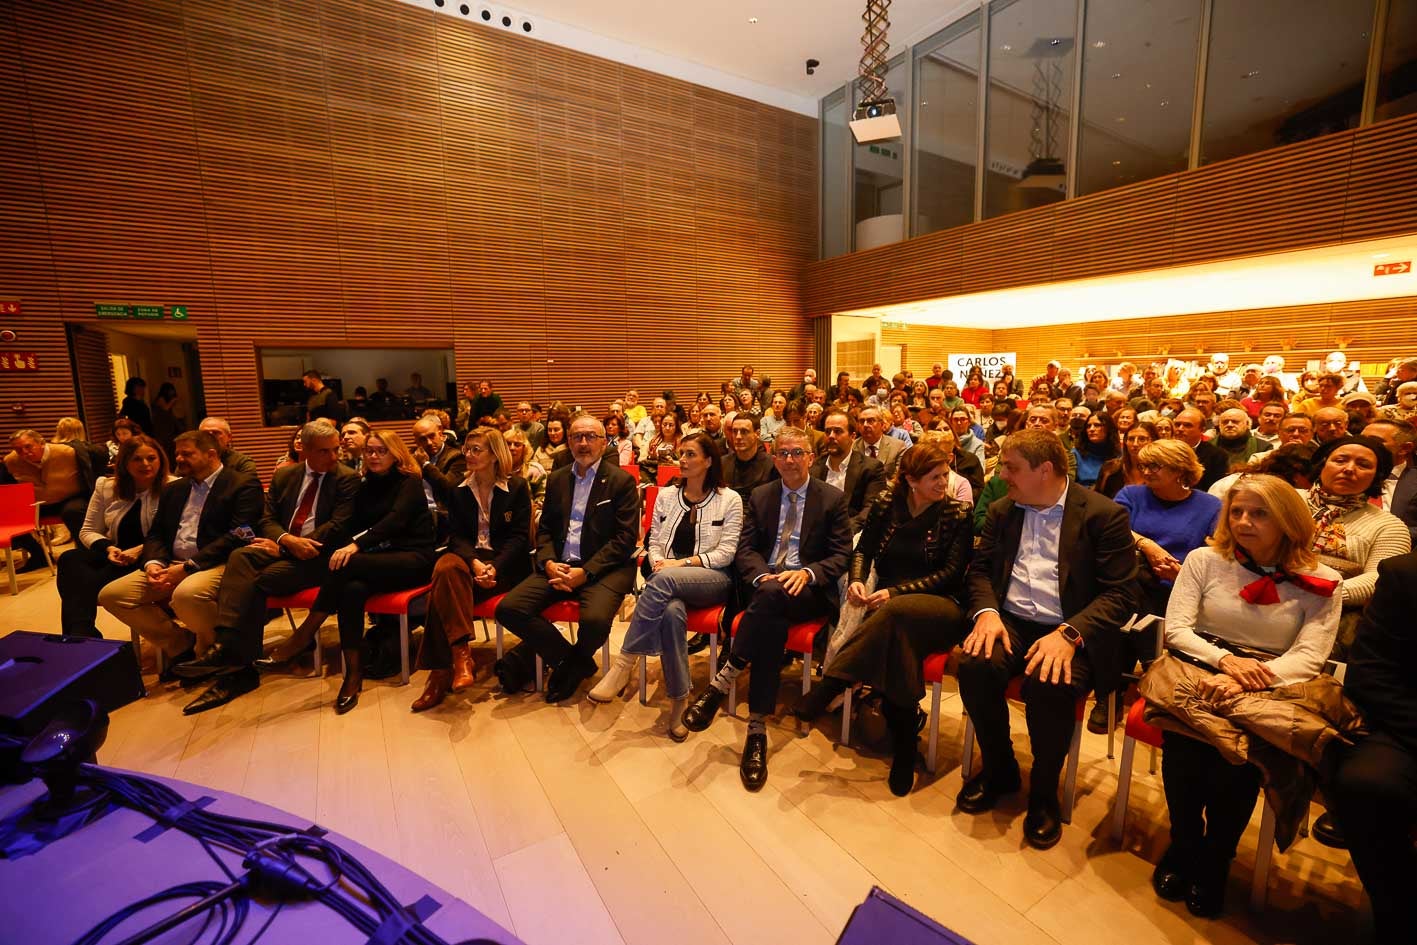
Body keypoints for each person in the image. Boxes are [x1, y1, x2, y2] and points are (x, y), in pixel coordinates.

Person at [1147, 475, 1341, 918]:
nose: (1243, 522)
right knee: (1186, 748)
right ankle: (1183, 845)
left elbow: (1311, 656)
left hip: (1272, 679)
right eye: (1236, 512)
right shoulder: (1203, 559)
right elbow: (1177, 628)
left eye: (1259, 513)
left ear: (1288, 521)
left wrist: (1253, 677)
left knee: (1235, 762)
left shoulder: (1323, 578)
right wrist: (1224, 664)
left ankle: (1216, 859)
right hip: (1202, 663)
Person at [955, 429, 1137, 850]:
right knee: (976, 665)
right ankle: (1000, 769)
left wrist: (1070, 633)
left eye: (1011, 468)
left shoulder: (1102, 515)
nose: (1001, 476)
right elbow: (980, 571)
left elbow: (1121, 594)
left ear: (1045, 470)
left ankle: (1043, 792)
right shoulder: (1004, 511)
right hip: (1012, 619)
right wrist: (986, 613)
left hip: (1073, 627)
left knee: (1049, 682)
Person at [794, 441, 973, 794]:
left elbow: (953, 574)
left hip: (939, 605)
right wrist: (858, 579)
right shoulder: (886, 504)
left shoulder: (958, 514)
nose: (944, 483)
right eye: (935, 477)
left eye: (945, 475)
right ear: (911, 479)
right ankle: (906, 747)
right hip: (889, 611)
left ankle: (833, 682)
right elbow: (863, 550)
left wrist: (894, 594)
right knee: (897, 644)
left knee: (892, 613)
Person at [681, 428, 852, 791]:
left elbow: (840, 555)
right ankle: (756, 729)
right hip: (767, 590)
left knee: (771, 602)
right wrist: (761, 577)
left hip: (807, 590)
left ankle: (722, 682)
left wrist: (807, 573)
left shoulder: (832, 498)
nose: (790, 460)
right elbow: (746, 551)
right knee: (770, 615)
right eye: (783, 453)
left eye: (798, 453)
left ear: (811, 457)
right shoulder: (760, 496)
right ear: (774, 458)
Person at [175, 421, 360, 707]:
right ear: (306, 450)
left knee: (259, 581)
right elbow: (265, 519)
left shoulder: (347, 478)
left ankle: (235, 664)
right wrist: (286, 540)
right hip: (285, 547)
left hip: (323, 556)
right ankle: (229, 646)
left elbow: (338, 525)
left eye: (336, 450)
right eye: (325, 451)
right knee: (242, 556)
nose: (334, 457)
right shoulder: (286, 476)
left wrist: (291, 546)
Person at [589, 433, 743, 738]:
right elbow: (654, 541)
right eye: (680, 454)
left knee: (662, 581)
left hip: (713, 579)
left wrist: (677, 566)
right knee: (671, 613)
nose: (682, 460)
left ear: (709, 461)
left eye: (690, 455)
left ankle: (624, 664)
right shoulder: (667, 495)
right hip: (667, 581)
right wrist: (660, 561)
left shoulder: (730, 499)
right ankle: (678, 703)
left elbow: (726, 553)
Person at [97, 430, 263, 705]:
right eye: (178, 453)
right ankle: (183, 648)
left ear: (211, 455)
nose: (178, 458)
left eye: (187, 453)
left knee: (186, 595)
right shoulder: (175, 488)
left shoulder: (242, 485)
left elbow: (239, 534)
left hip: (217, 564)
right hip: (169, 564)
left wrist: (187, 567)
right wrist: (153, 563)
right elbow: (157, 534)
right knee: (113, 595)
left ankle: (223, 660)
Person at [494, 414, 639, 702]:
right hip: (558, 565)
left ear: (602, 442)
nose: (583, 443)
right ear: (569, 441)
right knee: (509, 608)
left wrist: (585, 573)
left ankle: (572, 664)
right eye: (577, 437)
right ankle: (574, 662)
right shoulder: (558, 479)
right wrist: (548, 562)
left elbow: (624, 540)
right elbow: (546, 528)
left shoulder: (621, 481)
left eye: (590, 437)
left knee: (596, 620)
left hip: (604, 568)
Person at [301, 431, 438, 712]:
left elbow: (395, 521)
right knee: (351, 590)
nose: (374, 456)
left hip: (414, 560)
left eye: (381, 451)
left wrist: (355, 546)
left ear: (395, 453)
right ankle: (353, 673)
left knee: (346, 562)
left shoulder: (409, 482)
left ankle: (307, 630)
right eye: (369, 451)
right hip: (380, 561)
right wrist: (336, 544)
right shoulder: (364, 485)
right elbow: (352, 523)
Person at [1091, 440, 1221, 731]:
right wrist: (1147, 546)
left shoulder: (1209, 505)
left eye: (1154, 466)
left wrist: (1182, 573)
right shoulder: (1132, 495)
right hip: (1130, 579)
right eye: (1143, 465)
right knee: (1126, 603)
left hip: (1178, 587)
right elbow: (1112, 528)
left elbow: (1217, 554)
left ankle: (1118, 692)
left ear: (1179, 470)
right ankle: (1133, 689)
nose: (1146, 471)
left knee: (1131, 613)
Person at [407, 426, 532, 711]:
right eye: (467, 449)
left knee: (440, 593)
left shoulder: (517, 488)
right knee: (446, 568)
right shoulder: (458, 490)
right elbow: (457, 537)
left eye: (477, 450)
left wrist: (494, 568)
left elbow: (519, 539)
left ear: (495, 455)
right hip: (468, 561)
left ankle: (440, 674)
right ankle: (461, 655)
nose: (470, 455)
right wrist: (475, 563)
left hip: (506, 566)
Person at [1327, 551, 1417, 943]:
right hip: (1406, 723)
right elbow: (1371, 674)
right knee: (1365, 785)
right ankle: (1398, 916)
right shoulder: (1405, 575)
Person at [1302, 435, 1411, 654]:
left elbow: (1378, 579)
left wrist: (1314, 594)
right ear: (1323, 464)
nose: (1349, 469)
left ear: (1377, 477)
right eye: (1340, 460)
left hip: (1334, 615)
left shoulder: (1389, 526)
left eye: (1363, 465)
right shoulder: (1285, 500)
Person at [57, 435, 171, 638]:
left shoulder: (175, 487)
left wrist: (140, 550)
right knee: (69, 559)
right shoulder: (107, 487)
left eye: (151, 458)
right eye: (137, 459)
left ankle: (80, 636)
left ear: (161, 460)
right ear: (125, 463)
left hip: (153, 557)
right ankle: (83, 633)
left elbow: (175, 532)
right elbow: (88, 530)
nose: (145, 464)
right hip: (116, 553)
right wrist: (108, 548)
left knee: (79, 586)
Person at [2, 427, 99, 569]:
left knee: (74, 511)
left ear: (41, 442)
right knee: (8, 517)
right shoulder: (11, 461)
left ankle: (86, 554)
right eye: (18, 450)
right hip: (40, 503)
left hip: (71, 497)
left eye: (28, 447)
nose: (24, 453)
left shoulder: (67, 452)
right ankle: (39, 555)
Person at [810, 410, 886, 534]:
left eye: (838, 431)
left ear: (852, 436)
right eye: (828, 431)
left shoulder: (871, 468)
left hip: (851, 533)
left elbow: (871, 510)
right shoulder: (814, 467)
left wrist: (841, 532)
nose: (831, 436)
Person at [1363, 418, 1417, 542]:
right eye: (1361, 439)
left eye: (1374, 441)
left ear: (1405, 448)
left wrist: (1387, 535)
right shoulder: (1344, 474)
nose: (1363, 445)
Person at [1094, 420, 1157, 499]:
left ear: (1154, 441)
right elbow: (1098, 499)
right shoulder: (1110, 468)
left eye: (1142, 439)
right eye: (1131, 439)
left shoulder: (1160, 471)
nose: (1135, 444)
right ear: (1125, 442)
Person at [720, 413, 775, 502]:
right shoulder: (722, 463)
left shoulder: (771, 464)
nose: (738, 437)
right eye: (734, 431)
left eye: (744, 432)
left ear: (757, 433)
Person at [1171, 408, 1229, 489]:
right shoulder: (1163, 451)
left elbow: (1213, 489)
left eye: (1188, 425)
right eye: (1177, 424)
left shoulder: (1217, 456)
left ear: (1202, 429)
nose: (1180, 429)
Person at [854, 405, 906, 480]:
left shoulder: (898, 446)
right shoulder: (852, 447)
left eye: (870, 421)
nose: (865, 425)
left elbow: (898, 479)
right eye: (862, 421)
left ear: (882, 425)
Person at [1071, 411, 1120, 488]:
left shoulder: (1120, 455)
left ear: (1108, 428)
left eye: (1097, 425)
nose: (1091, 429)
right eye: (1088, 426)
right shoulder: (1075, 454)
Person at [640, 409, 683, 485]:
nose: (667, 428)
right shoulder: (652, 441)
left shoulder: (682, 443)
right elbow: (641, 460)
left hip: (675, 476)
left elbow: (688, 463)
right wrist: (651, 457)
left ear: (676, 427)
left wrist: (673, 462)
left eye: (671, 425)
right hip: (653, 474)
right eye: (664, 424)